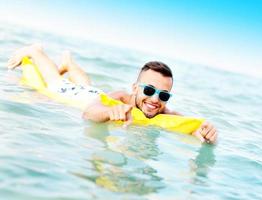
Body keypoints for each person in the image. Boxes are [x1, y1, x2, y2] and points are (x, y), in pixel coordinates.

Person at [7, 44, 217, 144]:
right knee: (55, 81)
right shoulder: (120, 97)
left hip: (92, 91)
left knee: (87, 83)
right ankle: (36, 51)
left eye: (163, 95)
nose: (155, 99)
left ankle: (69, 64)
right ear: (135, 88)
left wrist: (204, 132)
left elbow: (190, 124)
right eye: (150, 90)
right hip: (79, 96)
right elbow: (89, 113)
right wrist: (109, 112)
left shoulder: (162, 110)